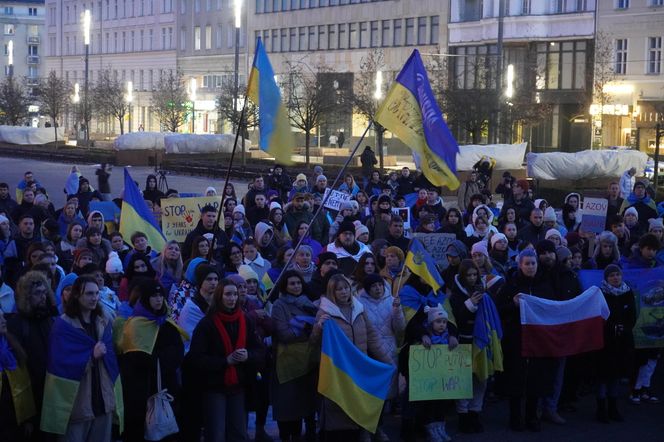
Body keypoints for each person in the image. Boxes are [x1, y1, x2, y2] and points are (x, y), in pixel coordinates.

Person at [310, 274, 392, 440]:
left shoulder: (359, 309)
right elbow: (313, 342)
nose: (343, 292)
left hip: (360, 367)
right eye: (339, 289)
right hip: (340, 371)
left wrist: (387, 360)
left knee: (362, 402)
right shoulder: (325, 313)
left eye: (346, 288)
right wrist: (319, 327)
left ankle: (365, 432)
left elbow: (372, 337)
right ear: (332, 292)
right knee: (341, 408)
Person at [41, 275, 120, 441]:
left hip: (102, 401)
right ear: (77, 295)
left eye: (97, 293)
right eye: (89, 294)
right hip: (76, 404)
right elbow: (60, 366)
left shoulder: (103, 320)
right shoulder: (63, 325)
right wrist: (91, 356)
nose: (94, 298)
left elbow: (111, 356)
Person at [186, 278, 262, 442]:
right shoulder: (207, 324)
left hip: (239, 385)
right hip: (214, 386)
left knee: (239, 433)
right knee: (216, 433)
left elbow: (259, 350)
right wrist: (225, 361)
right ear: (219, 296)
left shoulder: (245, 320)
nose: (232, 298)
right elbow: (197, 358)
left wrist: (248, 356)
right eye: (228, 294)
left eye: (235, 294)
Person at [117, 279, 186, 441]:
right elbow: (134, 356)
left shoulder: (167, 322)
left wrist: (163, 359)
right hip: (141, 389)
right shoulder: (135, 324)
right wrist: (158, 359)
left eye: (160, 295)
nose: (158, 299)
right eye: (153, 296)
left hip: (166, 385)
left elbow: (177, 349)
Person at [496, 249, 556, 432]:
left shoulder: (544, 285)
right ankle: (515, 417)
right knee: (516, 378)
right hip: (516, 339)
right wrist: (512, 305)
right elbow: (499, 309)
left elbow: (552, 309)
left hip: (538, 339)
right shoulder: (510, 286)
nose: (530, 267)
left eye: (533, 263)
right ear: (520, 265)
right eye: (527, 264)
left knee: (535, 380)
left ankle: (532, 417)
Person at [271, 270, 318, 441]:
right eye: (292, 283)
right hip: (287, 361)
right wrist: (306, 329)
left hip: (307, 359)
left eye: (298, 283)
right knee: (286, 406)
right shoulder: (279, 305)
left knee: (302, 405)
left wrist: (301, 326)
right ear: (285, 286)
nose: (296, 286)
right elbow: (283, 334)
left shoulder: (308, 303)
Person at [595, 264, 635, 423]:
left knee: (616, 375)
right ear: (606, 278)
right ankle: (601, 409)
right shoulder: (600, 294)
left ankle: (613, 407)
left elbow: (632, 314)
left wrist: (624, 328)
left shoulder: (628, 292)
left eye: (617, 274)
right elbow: (598, 315)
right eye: (611, 275)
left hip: (623, 340)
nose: (615, 278)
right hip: (605, 341)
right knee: (603, 375)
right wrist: (611, 327)